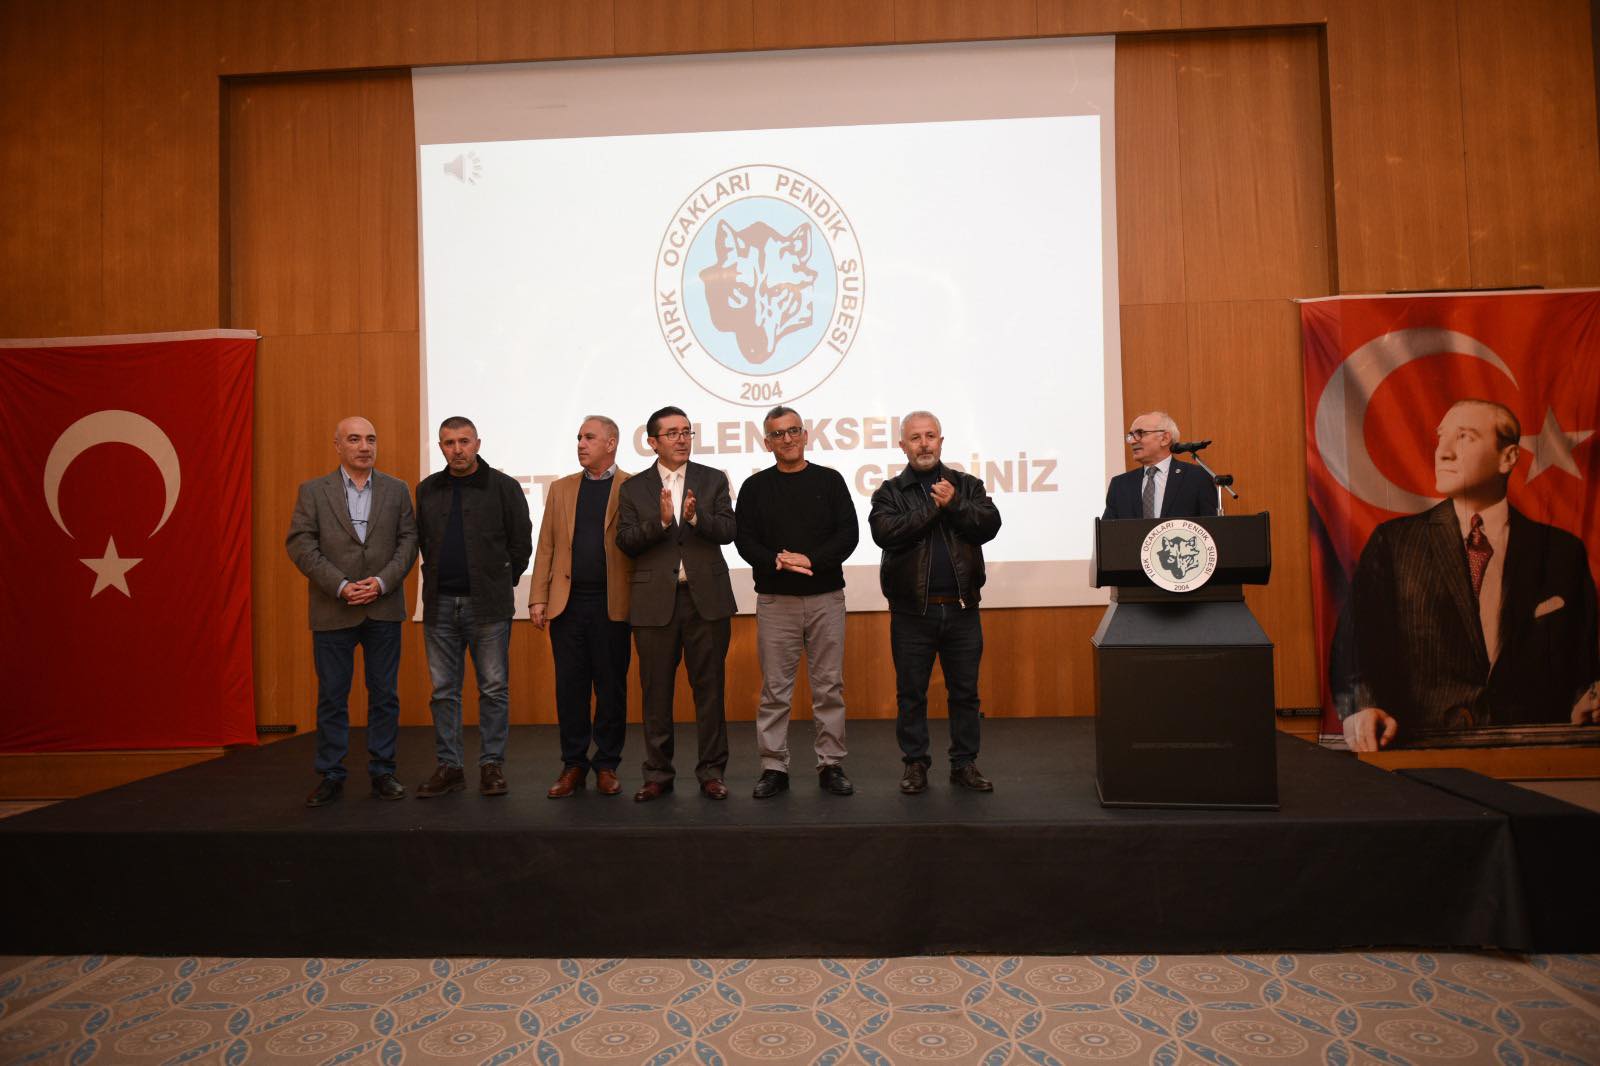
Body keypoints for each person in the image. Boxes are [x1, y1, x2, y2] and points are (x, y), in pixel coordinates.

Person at [1339, 399, 1599, 751]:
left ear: (1508, 458)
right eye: (1441, 437)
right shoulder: (1393, 544)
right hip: (1420, 754)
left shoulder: (1562, 552)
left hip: (1536, 753)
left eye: (1464, 437)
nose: (1443, 452)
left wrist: (1586, 700)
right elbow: (1356, 647)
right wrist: (1360, 707)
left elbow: (1583, 663)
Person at [286, 416, 419, 807]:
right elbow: (300, 544)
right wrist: (341, 585)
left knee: (384, 695)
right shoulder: (313, 491)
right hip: (333, 608)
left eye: (371, 439)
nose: (364, 447)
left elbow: (409, 542)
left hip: (383, 607)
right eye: (355, 439)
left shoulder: (397, 489)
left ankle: (383, 771)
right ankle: (331, 775)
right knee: (332, 696)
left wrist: (381, 582)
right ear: (338, 446)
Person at [869, 410, 1002, 793]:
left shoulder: (966, 485)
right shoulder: (890, 492)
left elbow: (989, 525)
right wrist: (934, 507)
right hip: (913, 612)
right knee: (911, 694)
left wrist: (956, 503)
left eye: (930, 436)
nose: (924, 443)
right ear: (903, 445)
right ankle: (915, 764)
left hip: (962, 609)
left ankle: (964, 764)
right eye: (915, 437)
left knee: (965, 693)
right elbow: (886, 533)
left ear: (941, 441)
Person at [734, 406, 860, 798]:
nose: (787, 439)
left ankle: (831, 764)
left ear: (805, 435)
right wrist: (774, 559)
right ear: (766, 442)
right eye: (777, 434)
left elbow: (849, 534)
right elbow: (744, 539)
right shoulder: (754, 488)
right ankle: (774, 767)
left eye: (793, 431)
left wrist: (810, 560)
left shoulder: (830, 480)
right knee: (775, 690)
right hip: (776, 602)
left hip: (826, 599)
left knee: (829, 687)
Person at [616, 406, 738, 801]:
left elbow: (729, 530)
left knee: (710, 691)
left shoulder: (712, 478)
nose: (682, 439)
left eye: (686, 431)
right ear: (653, 442)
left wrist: (696, 518)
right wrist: (663, 523)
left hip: (706, 602)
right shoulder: (633, 488)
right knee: (656, 694)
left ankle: (712, 772)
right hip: (654, 604)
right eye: (672, 433)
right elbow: (626, 541)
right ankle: (657, 774)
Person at [412, 417, 532, 797]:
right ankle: (450, 767)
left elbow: (521, 543)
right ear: (440, 447)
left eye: (464, 441)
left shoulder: (504, 487)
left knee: (493, 689)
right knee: (443, 691)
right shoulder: (427, 489)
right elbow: (422, 541)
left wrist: (501, 581)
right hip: (439, 606)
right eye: (449, 443)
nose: (457, 449)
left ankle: (491, 765)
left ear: (478, 443)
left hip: (489, 606)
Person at [529, 416, 635, 798]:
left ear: (611, 443)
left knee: (611, 688)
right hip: (568, 606)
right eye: (578, 438)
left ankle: (606, 764)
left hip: (613, 605)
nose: (581, 444)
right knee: (570, 689)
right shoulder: (561, 489)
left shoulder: (632, 486)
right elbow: (546, 546)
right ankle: (573, 763)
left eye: (589, 437)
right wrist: (538, 597)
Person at [1103, 410, 1217, 519]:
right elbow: (1108, 530)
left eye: (1140, 433)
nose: (1132, 441)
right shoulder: (1120, 485)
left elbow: (1210, 527)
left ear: (1165, 438)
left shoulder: (1197, 478)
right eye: (1131, 435)